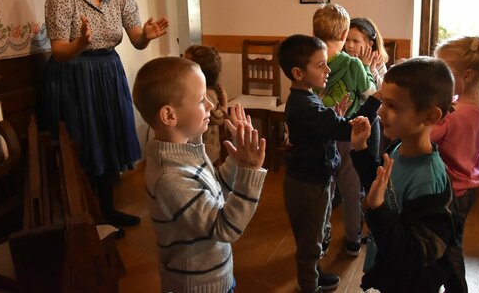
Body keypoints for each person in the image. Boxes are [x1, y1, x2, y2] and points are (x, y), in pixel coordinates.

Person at [39, 0, 169, 231]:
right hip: (73, 75)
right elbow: (59, 52)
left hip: (108, 70)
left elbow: (136, 40)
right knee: (83, 140)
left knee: (110, 135)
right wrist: (80, 44)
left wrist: (147, 34)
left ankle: (107, 210)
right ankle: (86, 215)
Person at [132, 57, 267, 292]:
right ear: (169, 115)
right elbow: (223, 227)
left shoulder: (187, 149)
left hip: (215, 274)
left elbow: (216, 193)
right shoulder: (170, 177)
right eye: (201, 99)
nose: (211, 105)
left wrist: (237, 159)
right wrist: (249, 171)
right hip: (197, 284)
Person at [349, 57, 462, 293]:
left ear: (430, 116)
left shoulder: (428, 181)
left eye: (393, 106)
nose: (380, 111)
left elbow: (414, 253)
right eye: (383, 102)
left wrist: (377, 210)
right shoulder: (398, 148)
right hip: (390, 267)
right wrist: (361, 150)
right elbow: (378, 187)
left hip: (411, 282)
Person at [278, 34, 380, 292]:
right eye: (321, 64)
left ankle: (315, 272)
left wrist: (334, 117)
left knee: (318, 232)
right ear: (298, 73)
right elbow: (348, 131)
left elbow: (325, 126)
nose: (329, 69)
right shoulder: (306, 106)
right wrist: (374, 100)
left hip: (317, 179)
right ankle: (309, 285)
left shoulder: (308, 100)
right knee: (310, 241)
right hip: (307, 185)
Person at [431, 35, 479, 292]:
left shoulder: (454, 113)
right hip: (471, 185)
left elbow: (425, 136)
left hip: (454, 188)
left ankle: (457, 288)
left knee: (449, 245)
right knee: (454, 238)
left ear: (467, 74)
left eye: (443, 71)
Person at [313, 4, 376, 258]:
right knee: (352, 190)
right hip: (349, 134)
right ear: (344, 34)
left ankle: (323, 237)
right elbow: (370, 93)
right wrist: (368, 72)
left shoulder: (310, 59)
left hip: (320, 136)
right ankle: (352, 239)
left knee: (325, 189)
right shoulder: (353, 64)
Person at [184, 45, 228, 163]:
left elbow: (194, 132)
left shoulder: (203, 96)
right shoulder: (216, 91)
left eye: (185, 63)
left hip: (200, 154)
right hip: (211, 150)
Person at [345, 17, 389, 89]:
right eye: (347, 39)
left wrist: (371, 70)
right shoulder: (342, 59)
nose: (350, 45)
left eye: (356, 41)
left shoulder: (378, 63)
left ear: (370, 44)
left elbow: (383, 90)